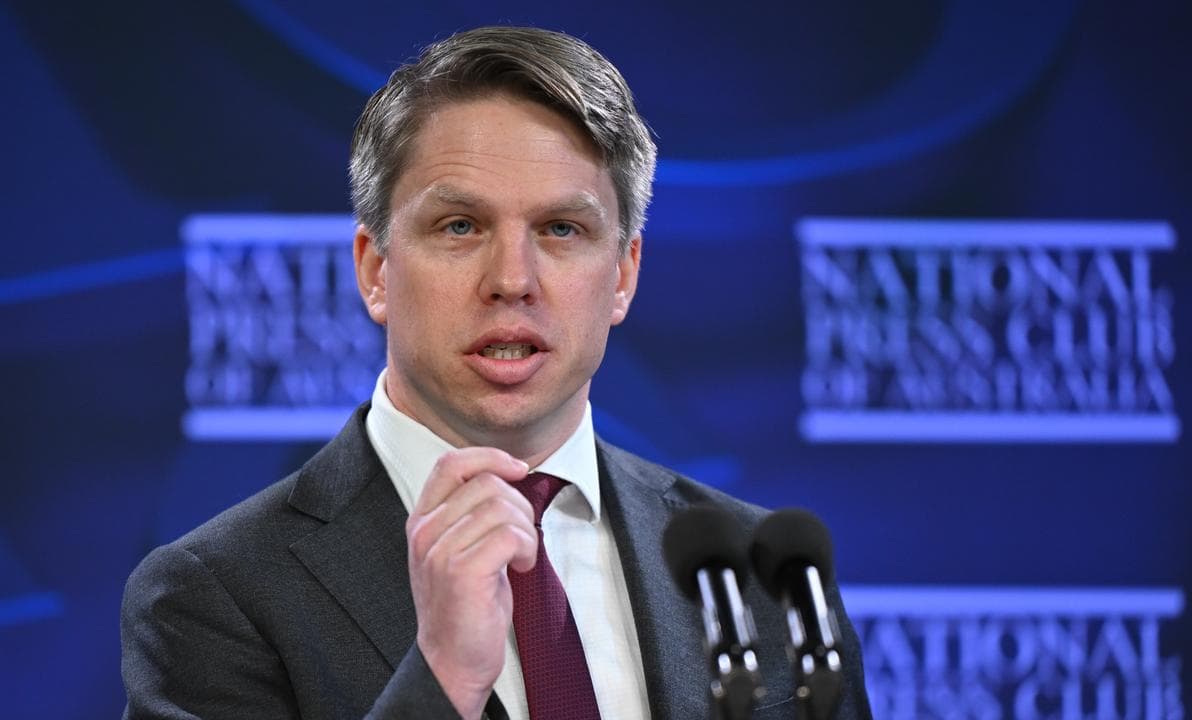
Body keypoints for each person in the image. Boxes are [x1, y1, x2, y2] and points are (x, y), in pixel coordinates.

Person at [121, 26, 872, 720]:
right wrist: (442, 672)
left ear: (623, 276)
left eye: (561, 230)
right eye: (460, 226)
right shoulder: (213, 594)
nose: (512, 278)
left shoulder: (762, 577)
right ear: (376, 270)